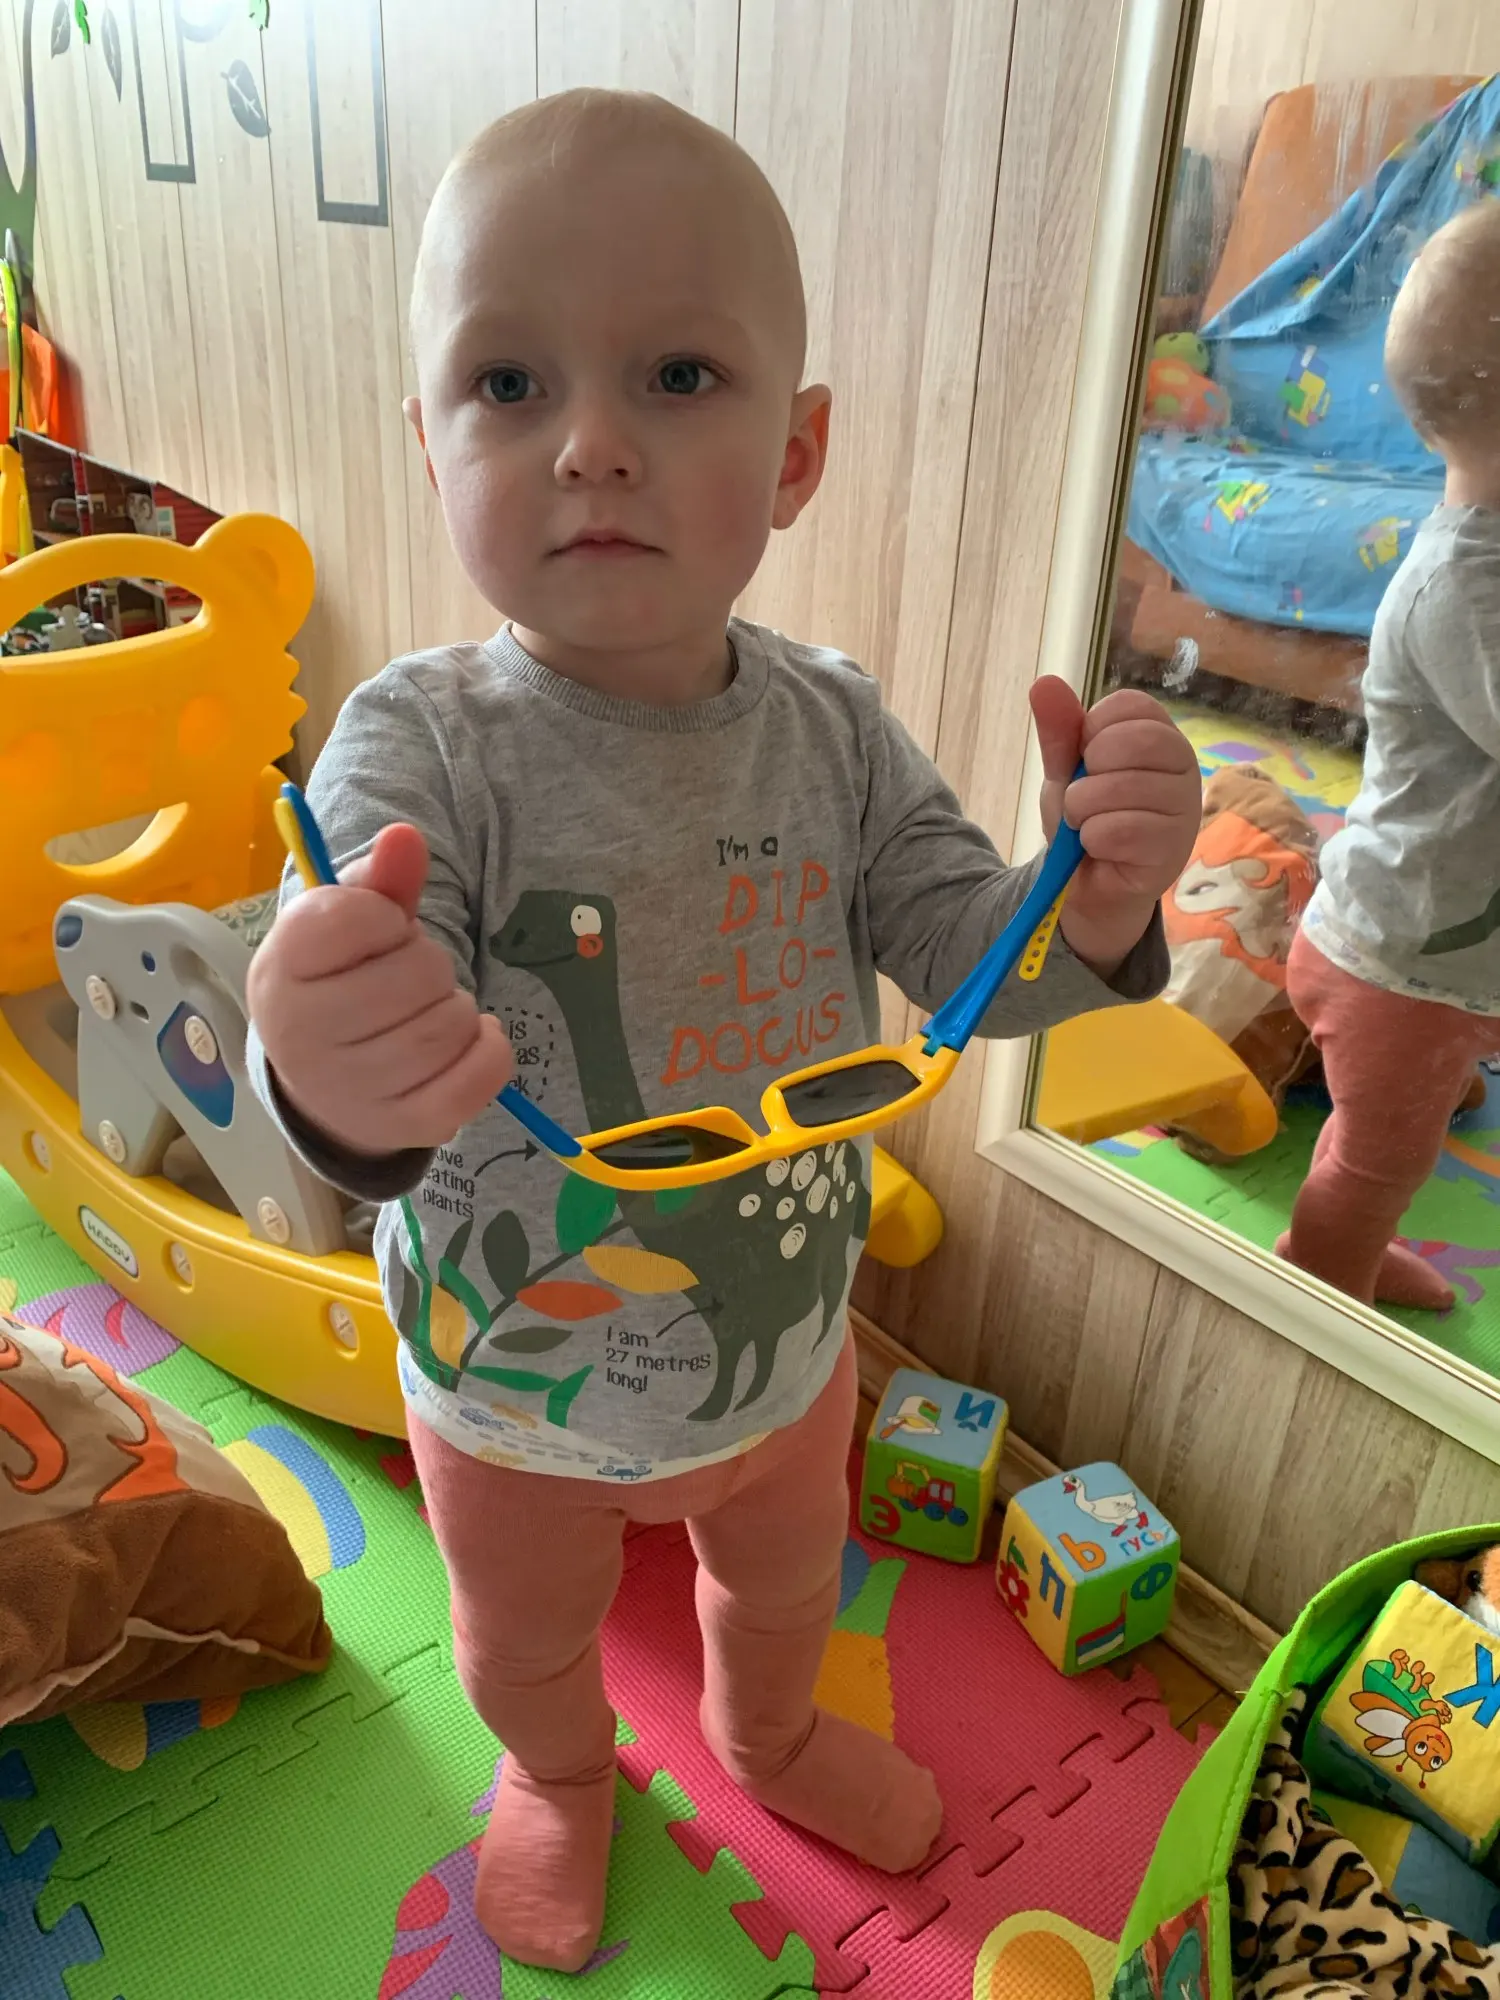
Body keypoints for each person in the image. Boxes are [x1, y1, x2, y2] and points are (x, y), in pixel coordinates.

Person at [246, 89, 1201, 1973]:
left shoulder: (834, 730)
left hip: (784, 1348)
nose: (592, 445)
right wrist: (327, 1055)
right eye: (508, 385)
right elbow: (358, 1021)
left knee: (783, 1590)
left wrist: (1090, 901)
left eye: (678, 376)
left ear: (796, 453)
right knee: (522, 1642)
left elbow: (968, 956)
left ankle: (764, 1739)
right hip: (514, 1388)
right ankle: (560, 1778)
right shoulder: (416, 747)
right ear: (430, 440)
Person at [1283, 198, 1500, 1312]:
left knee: (1400, 1134)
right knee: (1377, 1164)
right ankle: (1323, 1284)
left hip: (1436, 953)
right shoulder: (1466, 586)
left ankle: (1356, 1249)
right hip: (1396, 962)